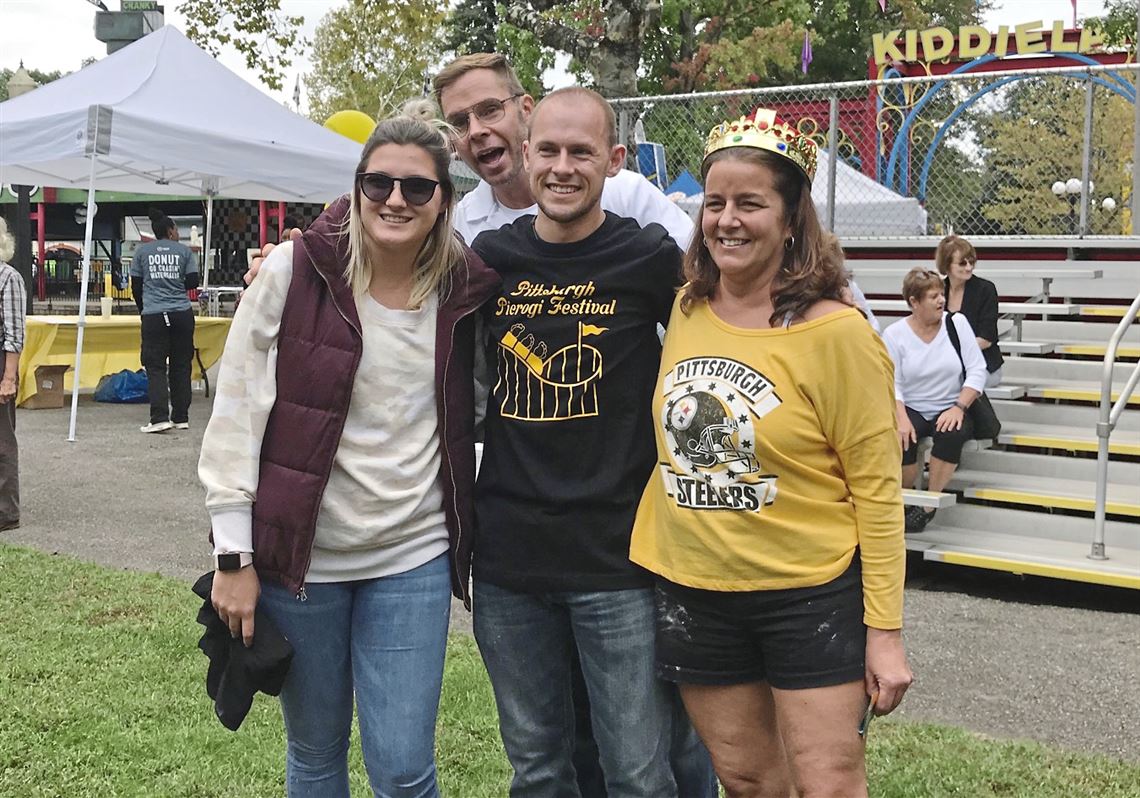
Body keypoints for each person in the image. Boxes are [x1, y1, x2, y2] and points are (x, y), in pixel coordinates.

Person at [433, 54, 713, 795]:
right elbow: (401, 303)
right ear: (527, 153)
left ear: (612, 161)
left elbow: (733, 315)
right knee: (537, 767)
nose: (562, 167)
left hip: (617, 558)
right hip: (509, 563)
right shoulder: (489, 256)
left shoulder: (648, 254)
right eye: (548, 151)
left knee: (636, 772)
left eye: (581, 152)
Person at [199, 110, 500, 797]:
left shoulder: (464, 287)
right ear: (357, 187)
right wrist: (232, 556)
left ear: (444, 202)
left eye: (418, 189)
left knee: (402, 767)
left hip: (412, 556)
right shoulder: (294, 270)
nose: (395, 200)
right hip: (303, 562)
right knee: (315, 751)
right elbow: (237, 412)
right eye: (378, 183)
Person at [628, 110, 913, 798]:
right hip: (695, 588)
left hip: (808, 593)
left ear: (791, 220)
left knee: (828, 781)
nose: (727, 219)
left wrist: (886, 634)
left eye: (750, 203)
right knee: (750, 780)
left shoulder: (836, 334)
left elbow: (876, 492)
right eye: (716, 203)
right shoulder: (688, 310)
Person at [433, 53, 695, 250]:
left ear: (526, 109)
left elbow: (700, 272)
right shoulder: (459, 231)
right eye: (459, 122)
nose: (477, 130)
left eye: (490, 110)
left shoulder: (625, 195)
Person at [883, 268, 987, 534]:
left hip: (951, 403)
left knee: (951, 432)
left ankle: (928, 505)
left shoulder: (957, 323)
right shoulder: (894, 334)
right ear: (914, 302)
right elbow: (891, 381)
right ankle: (903, 502)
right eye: (933, 296)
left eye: (942, 294)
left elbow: (977, 370)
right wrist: (901, 417)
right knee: (902, 436)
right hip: (912, 406)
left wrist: (959, 407)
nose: (941, 300)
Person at [131, 210, 199, 433]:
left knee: (156, 366)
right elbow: (192, 282)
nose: (178, 233)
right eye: (177, 230)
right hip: (181, 313)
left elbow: (136, 286)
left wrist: (146, 308)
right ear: (170, 231)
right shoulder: (185, 252)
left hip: (153, 315)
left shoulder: (142, 253)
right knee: (181, 364)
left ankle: (159, 416)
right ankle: (181, 416)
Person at [937, 234, 1003, 388]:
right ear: (947, 265)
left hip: (983, 365)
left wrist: (947, 352)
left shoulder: (985, 289)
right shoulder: (938, 289)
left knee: (949, 383)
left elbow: (986, 339)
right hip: (945, 366)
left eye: (971, 262)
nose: (969, 267)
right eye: (962, 263)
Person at [0, 217, 26, 531]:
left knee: (2, 440)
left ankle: (6, 511)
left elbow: (14, 333)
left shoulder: (9, 278)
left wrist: (9, 377)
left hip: (1, 361)